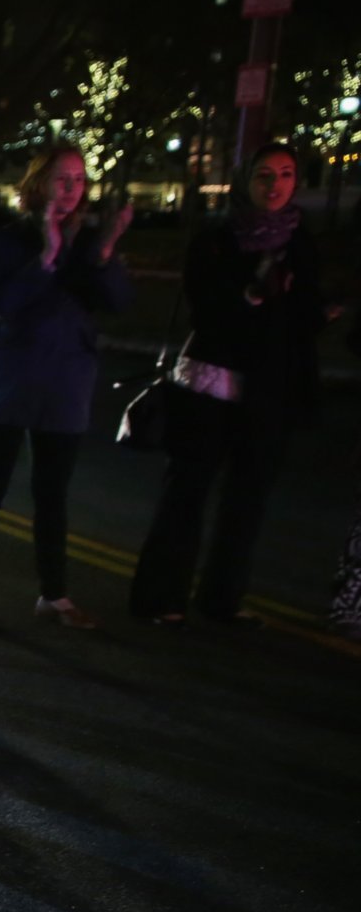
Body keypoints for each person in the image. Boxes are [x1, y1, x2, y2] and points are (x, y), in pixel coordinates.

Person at [129, 142, 330, 626]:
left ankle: (222, 598)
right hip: (212, 380)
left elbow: (307, 312)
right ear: (245, 181)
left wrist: (315, 309)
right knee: (188, 491)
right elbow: (206, 304)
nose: (275, 184)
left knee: (247, 498)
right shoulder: (218, 237)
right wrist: (252, 294)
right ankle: (162, 598)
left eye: (285, 174)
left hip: (270, 386)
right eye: (264, 174)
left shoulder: (301, 239)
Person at [0, 144, 132, 630]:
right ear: (38, 185)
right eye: (61, 179)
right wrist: (48, 254)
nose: (71, 189)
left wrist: (108, 252)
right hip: (8, 378)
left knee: (52, 493)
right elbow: (5, 301)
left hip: (66, 380)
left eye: (78, 180)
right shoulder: (7, 239)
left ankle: (54, 595)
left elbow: (117, 301)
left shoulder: (91, 243)